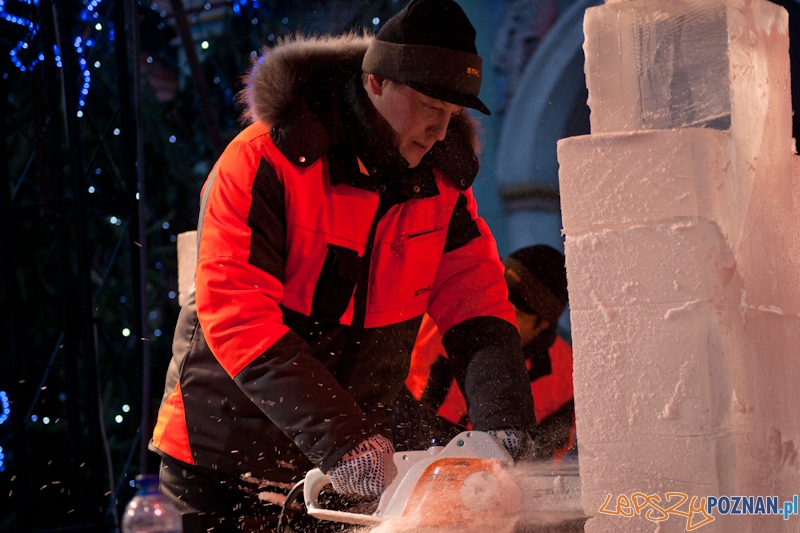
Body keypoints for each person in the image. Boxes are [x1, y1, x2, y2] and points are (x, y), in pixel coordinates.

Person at [149, 1, 541, 531]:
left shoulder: (445, 184)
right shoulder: (264, 159)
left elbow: (479, 305)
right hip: (220, 461)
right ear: (376, 82)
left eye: (452, 115)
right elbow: (237, 313)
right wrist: (347, 444)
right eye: (429, 106)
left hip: (348, 467)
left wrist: (503, 425)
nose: (438, 130)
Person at [397, 244, 576, 460]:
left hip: (490, 479)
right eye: (496, 301)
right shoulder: (434, 321)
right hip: (408, 453)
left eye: (514, 313)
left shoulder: (567, 380)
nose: (497, 318)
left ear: (543, 325)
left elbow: (545, 461)